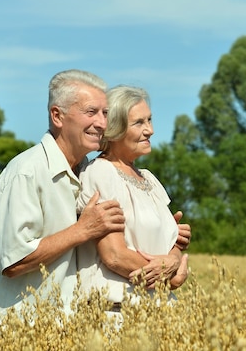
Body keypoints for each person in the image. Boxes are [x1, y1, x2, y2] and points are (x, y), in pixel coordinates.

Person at [0, 70, 190, 323]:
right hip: (23, 329)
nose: (102, 123)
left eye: (105, 113)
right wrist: (83, 230)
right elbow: (14, 261)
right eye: (91, 112)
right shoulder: (27, 172)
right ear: (57, 116)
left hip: (67, 326)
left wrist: (173, 248)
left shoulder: (83, 170)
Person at [75, 85, 188, 313]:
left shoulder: (149, 179)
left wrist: (174, 259)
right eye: (139, 123)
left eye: (149, 120)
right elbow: (114, 256)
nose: (150, 130)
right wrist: (170, 277)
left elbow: (173, 245)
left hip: (161, 311)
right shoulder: (101, 172)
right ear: (115, 130)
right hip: (118, 313)